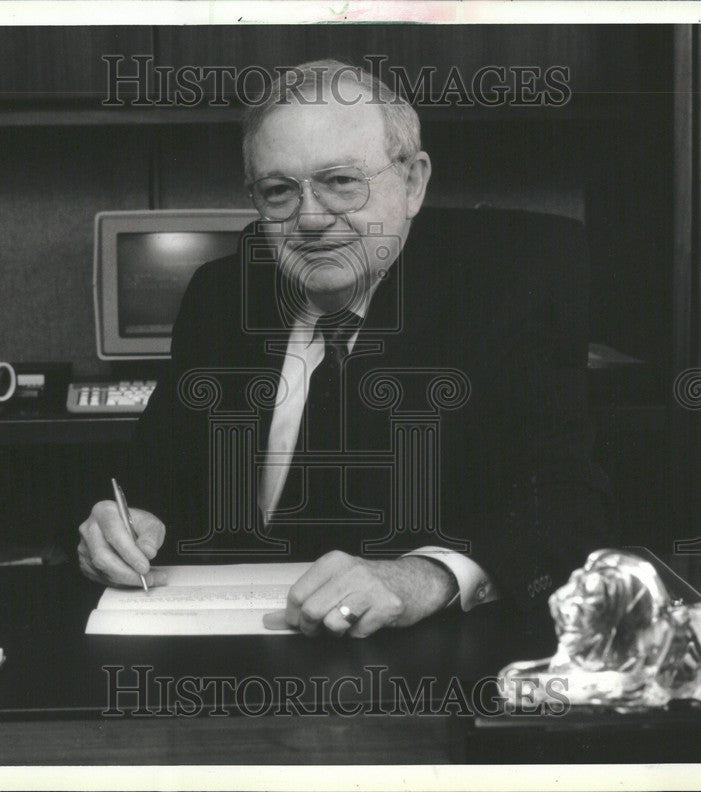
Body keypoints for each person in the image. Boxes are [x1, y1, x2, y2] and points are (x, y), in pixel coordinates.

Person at [77, 59, 615, 637]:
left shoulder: (504, 296)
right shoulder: (220, 296)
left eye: (341, 182)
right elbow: (153, 479)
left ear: (412, 183)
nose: (310, 219)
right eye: (279, 190)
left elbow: (567, 509)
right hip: (232, 649)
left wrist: (423, 577)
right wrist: (121, 526)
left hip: (418, 670)